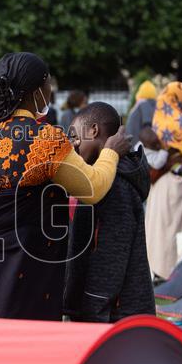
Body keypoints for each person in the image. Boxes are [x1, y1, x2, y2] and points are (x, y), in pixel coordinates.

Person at [0, 52, 130, 321]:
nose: (51, 91)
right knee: (20, 336)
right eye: (48, 84)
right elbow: (93, 188)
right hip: (19, 264)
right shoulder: (43, 139)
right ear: (36, 91)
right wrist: (111, 151)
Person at [63, 103, 154, 323]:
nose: (72, 146)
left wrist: (93, 309)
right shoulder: (98, 179)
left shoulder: (115, 185)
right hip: (105, 310)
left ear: (93, 130)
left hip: (112, 314)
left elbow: (111, 254)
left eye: (74, 137)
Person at [152, 81, 182, 164]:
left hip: (163, 165)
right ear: (177, 97)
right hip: (181, 166)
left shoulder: (156, 117)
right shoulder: (180, 120)